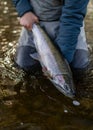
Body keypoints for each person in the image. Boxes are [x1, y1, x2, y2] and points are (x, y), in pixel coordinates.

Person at [12, 0, 91, 80]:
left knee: (79, 67)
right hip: (33, 21)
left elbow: (72, 17)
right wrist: (24, 11)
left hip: (69, 25)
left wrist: (58, 64)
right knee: (23, 65)